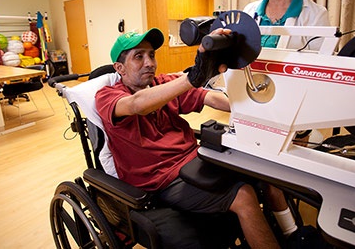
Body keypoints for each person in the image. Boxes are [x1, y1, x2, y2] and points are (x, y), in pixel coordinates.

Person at [95, 28, 281, 248]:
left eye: (152, 55)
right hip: (163, 180)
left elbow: (210, 97)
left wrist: (264, 110)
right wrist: (192, 78)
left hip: (197, 161)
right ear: (119, 68)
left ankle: (291, 233)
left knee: (268, 172)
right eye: (139, 56)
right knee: (244, 196)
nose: (149, 62)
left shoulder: (162, 84)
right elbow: (138, 104)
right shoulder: (107, 96)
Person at [243, 0, 331, 239]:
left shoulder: (314, 16)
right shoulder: (250, 12)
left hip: (296, 117)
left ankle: (291, 233)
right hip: (252, 110)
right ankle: (287, 231)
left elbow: (317, 78)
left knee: (278, 175)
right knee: (255, 173)